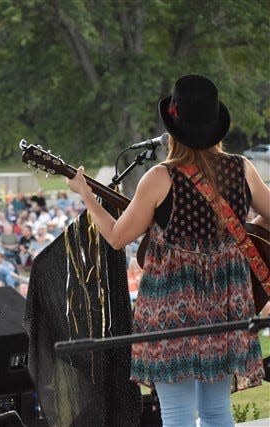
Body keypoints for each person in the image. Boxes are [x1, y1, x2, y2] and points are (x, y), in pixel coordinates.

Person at [66, 74, 268, 427]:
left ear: (173, 126)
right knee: (217, 410)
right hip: (226, 307)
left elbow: (116, 236)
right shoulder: (243, 170)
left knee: (177, 414)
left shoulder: (160, 178)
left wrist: (85, 194)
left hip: (171, 311)